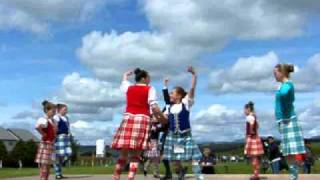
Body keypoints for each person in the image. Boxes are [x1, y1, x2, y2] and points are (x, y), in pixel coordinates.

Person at [111, 68, 166, 180]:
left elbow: (124, 82)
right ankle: (131, 176)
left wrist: (125, 75)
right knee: (136, 154)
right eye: (148, 77)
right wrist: (162, 117)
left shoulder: (129, 87)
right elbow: (154, 106)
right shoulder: (150, 89)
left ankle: (116, 175)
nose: (150, 79)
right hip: (142, 119)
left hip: (128, 119)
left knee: (124, 152)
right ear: (143, 78)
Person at [163, 66, 204, 180]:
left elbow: (192, 90)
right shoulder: (169, 108)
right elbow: (164, 119)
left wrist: (194, 75)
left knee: (194, 156)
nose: (170, 95)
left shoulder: (186, 103)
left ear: (179, 95)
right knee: (176, 158)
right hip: (174, 136)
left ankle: (198, 175)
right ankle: (181, 171)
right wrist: (156, 116)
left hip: (185, 135)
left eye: (172, 93)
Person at [274, 64, 306, 180]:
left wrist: (280, 88)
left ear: (282, 73)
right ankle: (294, 175)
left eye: (276, 73)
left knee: (291, 152)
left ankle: (297, 170)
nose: (274, 75)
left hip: (289, 120)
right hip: (284, 121)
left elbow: (285, 92)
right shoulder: (284, 85)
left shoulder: (288, 85)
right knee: (288, 153)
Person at [35, 101, 57, 180]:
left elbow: (54, 131)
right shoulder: (43, 119)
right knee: (44, 166)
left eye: (55, 111)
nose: (54, 113)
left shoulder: (53, 121)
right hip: (45, 144)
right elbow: (38, 127)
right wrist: (43, 133)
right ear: (47, 110)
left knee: (48, 166)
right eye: (53, 111)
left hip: (51, 144)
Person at [244, 101, 264, 180]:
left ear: (248, 109)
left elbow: (252, 126)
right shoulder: (254, 116)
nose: (244, 111)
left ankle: (255, 175)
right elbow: (258, 125)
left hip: (252, 138)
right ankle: (256, 174)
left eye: (245, 110)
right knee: (255, 157)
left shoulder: (249, 117)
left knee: (254, 157)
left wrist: (250, 134)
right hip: (256, 137)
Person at [53, 103, 72, 179]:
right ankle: (58, 173)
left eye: (66, 109)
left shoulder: (66, 118)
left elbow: (68, 127)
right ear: (59, 110)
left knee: (66, 154)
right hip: (59, 137)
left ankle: (59, 172)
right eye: (65, 109)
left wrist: (69, 134)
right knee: (58, 155)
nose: (66, 111)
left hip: (66, 137)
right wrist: (55, 137)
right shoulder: (56, 117)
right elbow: (55, 127)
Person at [160, 78, 173, 180]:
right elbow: (166, 97)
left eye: (173, 94)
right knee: (163, 154)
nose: (170, 95)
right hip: (166, 132)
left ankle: (180, 170)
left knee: (178, 153)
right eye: (170, 94)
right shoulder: (167, 106)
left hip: (175, 133)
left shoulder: (178, 106)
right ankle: (168, 172)